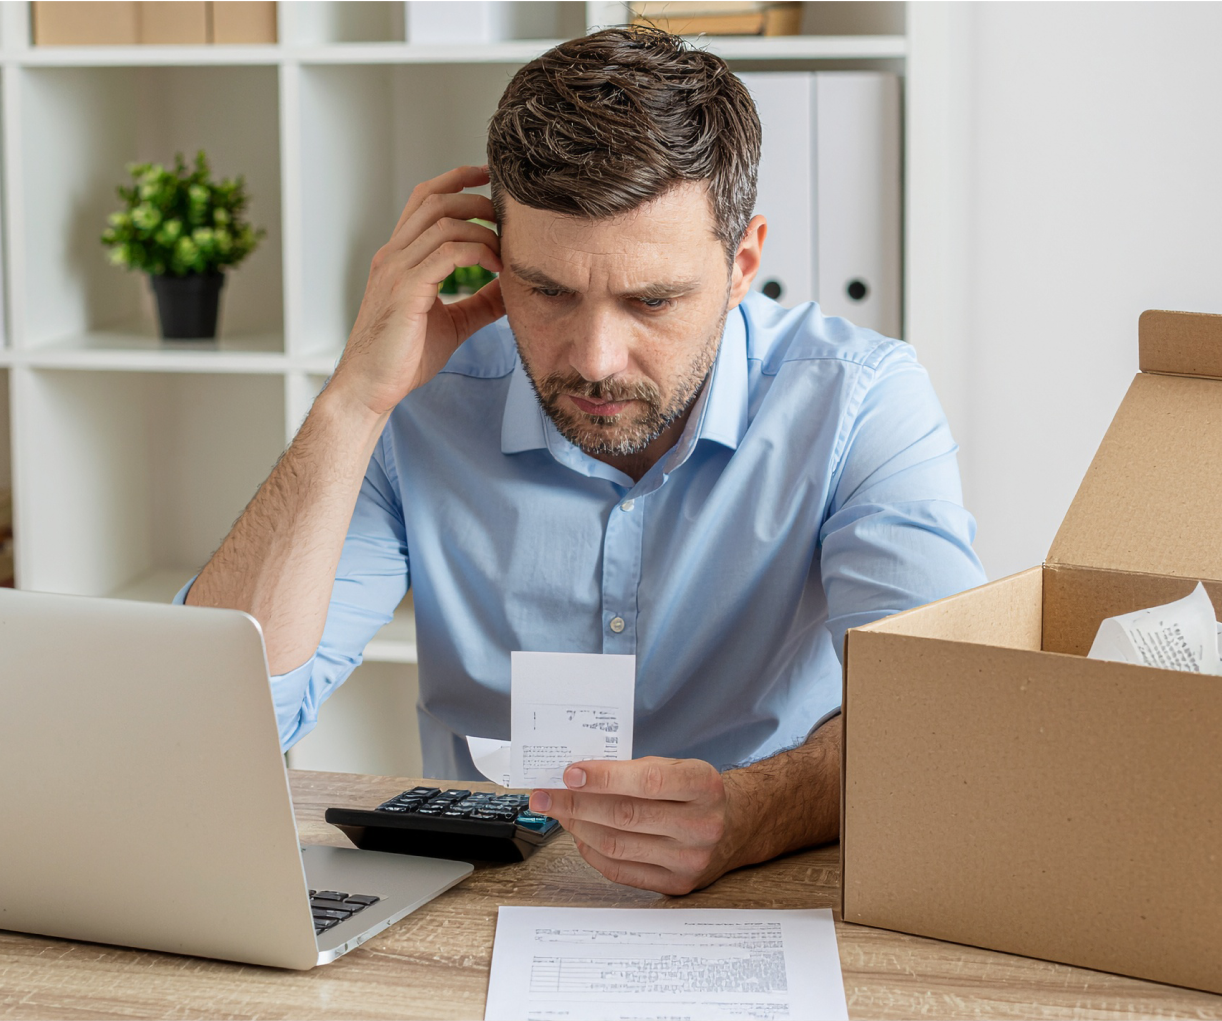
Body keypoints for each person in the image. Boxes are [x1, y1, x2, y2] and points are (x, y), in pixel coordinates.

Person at [185, 26, 984, 895]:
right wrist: (351, 403)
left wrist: (758, 810)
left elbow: (942, 727)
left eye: (652, 300)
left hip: (763, 891)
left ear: (743, 261)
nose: (595, 357)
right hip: (483, 899)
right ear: (492, 258)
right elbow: (211, 723)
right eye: (548, 290)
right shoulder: (425, 402)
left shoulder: (860, 401)